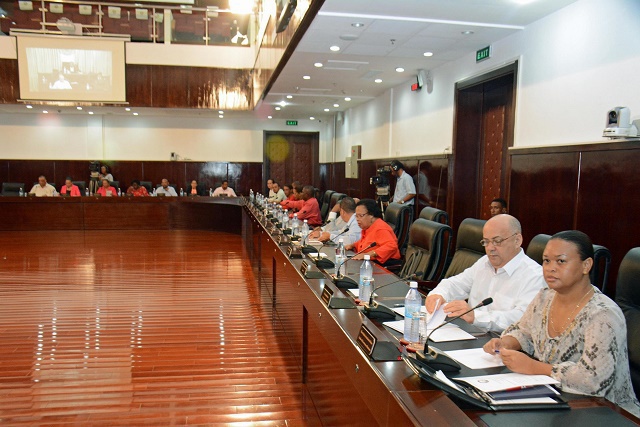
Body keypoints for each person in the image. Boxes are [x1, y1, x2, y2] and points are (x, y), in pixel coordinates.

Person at [483, 231, 640, 417]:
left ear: (586, 265)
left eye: (561, 261)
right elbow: (524, 331)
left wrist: (534, 368)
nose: (550, 268)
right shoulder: (544, 297)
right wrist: (507, 342)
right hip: (556, 399)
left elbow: (594, 381)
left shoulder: (602, 315)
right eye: (546, 261)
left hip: (607, 412)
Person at [425, 214, 545, 333]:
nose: (490, 248)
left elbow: (522, 319)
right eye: (486, 242)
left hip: (504, 344)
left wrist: (475, 316)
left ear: (517, 240)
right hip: (469, 335)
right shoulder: (484, 263)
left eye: (497, 241)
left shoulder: (535, 276)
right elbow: (455, 284)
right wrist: (439, 294)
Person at [345, 199, 401, 264]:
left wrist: (369, 254)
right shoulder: (368, 227)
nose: (357, 219)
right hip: (369, 263)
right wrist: (353, 245)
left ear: (371, 215)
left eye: (360, 216)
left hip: (383, 266)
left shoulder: (380, 228)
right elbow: (366, 242)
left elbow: (392, 246)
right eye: (356, 216)